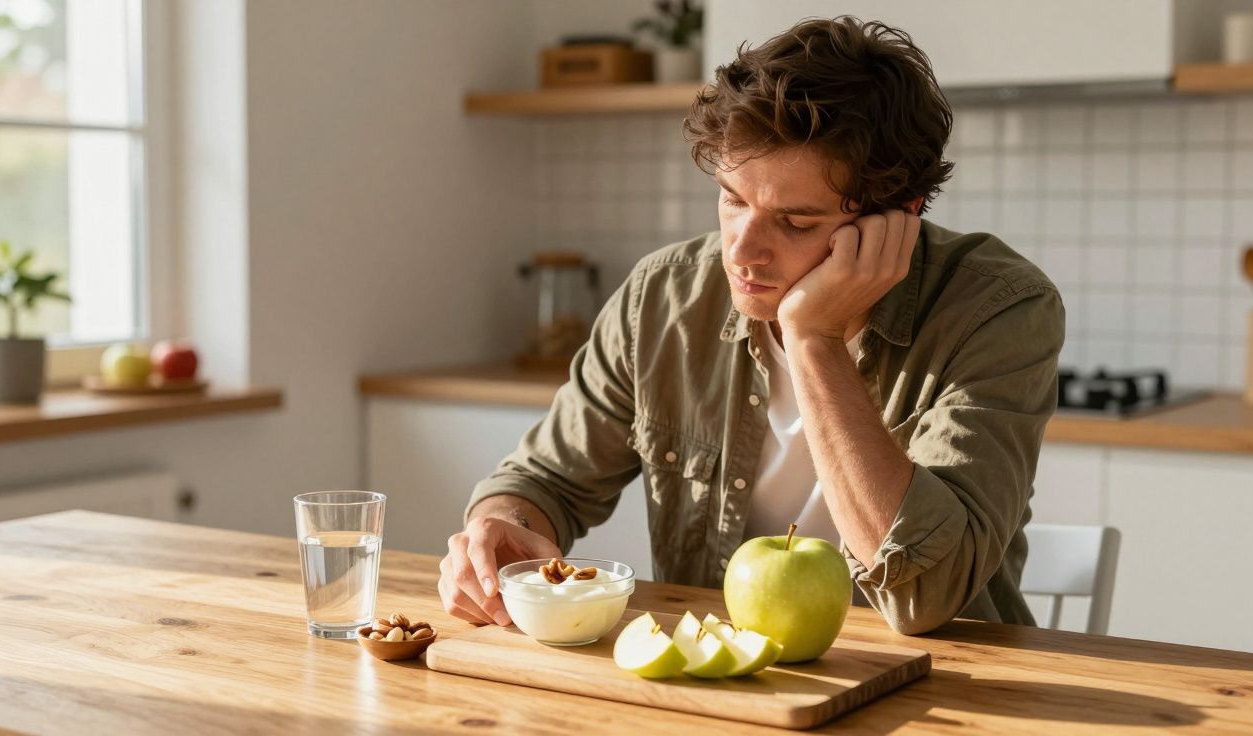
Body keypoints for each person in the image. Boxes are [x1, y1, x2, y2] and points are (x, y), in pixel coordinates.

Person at [438, 16, 1064, 635]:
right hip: (719, 679)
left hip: (943, 689)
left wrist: (813, 338)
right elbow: (542, 480)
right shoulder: (663, 296)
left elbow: (927, 593)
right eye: (733, 199)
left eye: (795, 222)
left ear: (896, 217)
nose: (741, 251)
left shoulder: (1000, 308)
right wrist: (500, 526)